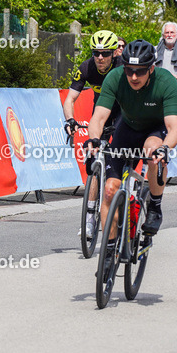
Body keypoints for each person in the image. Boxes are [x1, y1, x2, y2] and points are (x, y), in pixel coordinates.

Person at [84, 40, 177, 244]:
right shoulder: (115, 77)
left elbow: (174, 127)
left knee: (153, 151)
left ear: (152, 68)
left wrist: (165, 148)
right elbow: (99, 117)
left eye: (140, 71)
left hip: (155, 129)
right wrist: (93, 139)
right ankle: (109, 252)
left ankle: (155, 206)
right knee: (110, 189)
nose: (134, 77)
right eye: (129, 71)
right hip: (128, 128)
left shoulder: (166, 82)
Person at [64, 29, 121, 237]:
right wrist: (69, 120)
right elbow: (70, 98)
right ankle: (89, 220)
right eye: (96, 52)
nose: (100, 57)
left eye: (105, 53)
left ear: (114, 53)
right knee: (95, 158)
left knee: (121, 155)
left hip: (123, 112)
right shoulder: (86, 67)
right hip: (102, 113)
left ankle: (122, 198)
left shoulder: (123, 67)